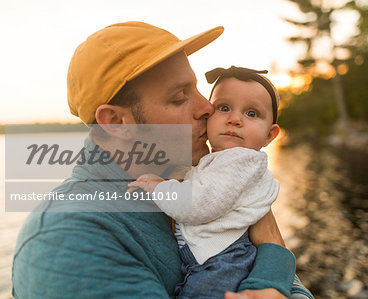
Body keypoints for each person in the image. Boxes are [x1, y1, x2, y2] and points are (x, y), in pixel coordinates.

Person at [11, 21, 313, 299]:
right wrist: (274, 252)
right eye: (180, 97)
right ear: (116, 122)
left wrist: (273, 267)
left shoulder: (193, 180)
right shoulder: (66, 240)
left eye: (196, 88)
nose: (208, 107)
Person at [127, 66, 287, 298]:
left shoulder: (239, 160)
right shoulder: (218, 162)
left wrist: (159, 187)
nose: (234, 119)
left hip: (222, 260)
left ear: (270, 135)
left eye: (251, 113)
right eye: (223, 108)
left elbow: (197, 204)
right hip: (215, 259)